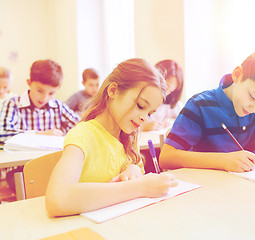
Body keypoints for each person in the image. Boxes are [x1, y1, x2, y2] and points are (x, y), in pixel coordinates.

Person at [45, 58, 178, 217]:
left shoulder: (128, 137)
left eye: (149, 113)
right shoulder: (83, 135)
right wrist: (140, 187)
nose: (145, 118)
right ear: (113, 91)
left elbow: (134, 174)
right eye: (141, 106)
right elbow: (58, 199)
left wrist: (134, 169)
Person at [159, 47, 255, 174]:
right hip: (208, 194)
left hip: (250, 192)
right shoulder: (199, 106)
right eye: (253, 97)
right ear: (237, 75)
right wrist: (224, 161)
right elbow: (167, 157)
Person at [0, 59, 80, 143]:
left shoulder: (59, 106)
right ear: (29, 83)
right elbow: (2, 133)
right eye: (39, 91)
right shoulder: (12, 104)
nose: (44, 98)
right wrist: (40, 134)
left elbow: (81, 126)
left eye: (51, 93)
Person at [142, 60, 184, 131]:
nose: (166, 93)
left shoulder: (171, 104)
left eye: (171, 90)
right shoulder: (140, 99)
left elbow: (188, 119)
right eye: (166, 86)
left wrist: (172, 121)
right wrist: (143, 127)